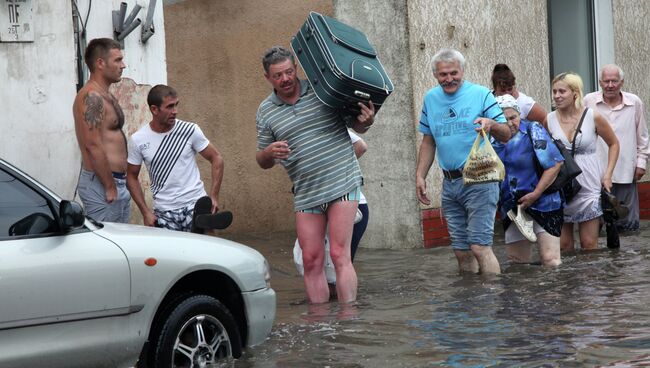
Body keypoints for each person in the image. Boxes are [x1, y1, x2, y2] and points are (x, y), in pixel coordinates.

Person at [256, 46, 374, 304]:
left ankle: (348, 319)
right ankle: (320, 323)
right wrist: (268, 153)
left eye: (289, 71)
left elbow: (356, 125)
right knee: (311, 259)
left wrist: (366, 121)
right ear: (267, 78)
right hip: (306, 191)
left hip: (342, 182)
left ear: (296, 68)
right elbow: (261, 160)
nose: (285, 79)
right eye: (278, 75)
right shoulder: (266, 111)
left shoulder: (323, 90)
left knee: (339, 254)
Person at [416, 48, 513, 275]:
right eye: (443, 75)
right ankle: (469, 302)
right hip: (450, 183)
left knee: (479, 246)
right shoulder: (430, 99)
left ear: (462, 71)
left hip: (480, 178)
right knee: (461, 250)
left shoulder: (481, 94)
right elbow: (428, 141)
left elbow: (507, 134)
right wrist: (420, 175)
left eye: (453, 73)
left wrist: (491, 123)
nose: (449, 79)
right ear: (435, 75)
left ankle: (491, 303)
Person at [126, 85, 224, 232]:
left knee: (205, 251)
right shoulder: (138, 140)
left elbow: (216, 158)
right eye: (170, 107)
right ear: (154, 109)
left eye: (176, 105)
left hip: (195, 204)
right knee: (171, 255)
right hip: (164, 212)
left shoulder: (190, 130)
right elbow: (131, 177)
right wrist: (145, 212)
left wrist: (214, 196)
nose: (175, 111)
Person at [544, 73, 619, 251]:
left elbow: (614, 143)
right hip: (562, 185)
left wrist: (608, 175)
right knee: (564, 245)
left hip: (589, 184)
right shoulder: (549, 119)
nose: (556, 96)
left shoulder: (592, 116)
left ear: (575, 93)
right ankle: (569, 279)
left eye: (562, 91)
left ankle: (592, 279)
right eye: (554, 91)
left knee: (589, 244)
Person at [292, 130, 370, 289]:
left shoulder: (325, 121)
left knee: (338, 265)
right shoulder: (289, 128)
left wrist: (335, 173)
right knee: (315, 263)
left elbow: (361, 146)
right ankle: (329, 309)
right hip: (315, 204)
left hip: (352, 207)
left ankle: (347, 309)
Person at [493, 94, 564, 266]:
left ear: (520, 115)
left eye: (513, 117)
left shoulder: (533, 130)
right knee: (517, 263)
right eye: (504, 119)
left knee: (550, 259)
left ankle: (555, 294)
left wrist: (536, 193)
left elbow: (554, 165)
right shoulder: (491, 139)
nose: (510, 123)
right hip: (513, 207)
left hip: (544, 202)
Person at [584, 64, 649, 233]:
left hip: (626, 170)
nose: (610, 85)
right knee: (596, 223)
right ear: (600, 82)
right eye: (606, 81)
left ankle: (628, 258)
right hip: (596, 172)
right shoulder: (589, 101)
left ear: (622, 83)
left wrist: (642, 162)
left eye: (614, 81)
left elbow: (642, 135)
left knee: (627, 223)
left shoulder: (634, 102)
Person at [73, 38, 131, 222]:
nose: (123, 65)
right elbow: (92, 144)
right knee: (108, 247)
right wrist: (109, 185)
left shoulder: (104, 94)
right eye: (117, 60)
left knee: (123, 245)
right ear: (100, 63)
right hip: (102, 185)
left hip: (116, 182)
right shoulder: (91, 96)